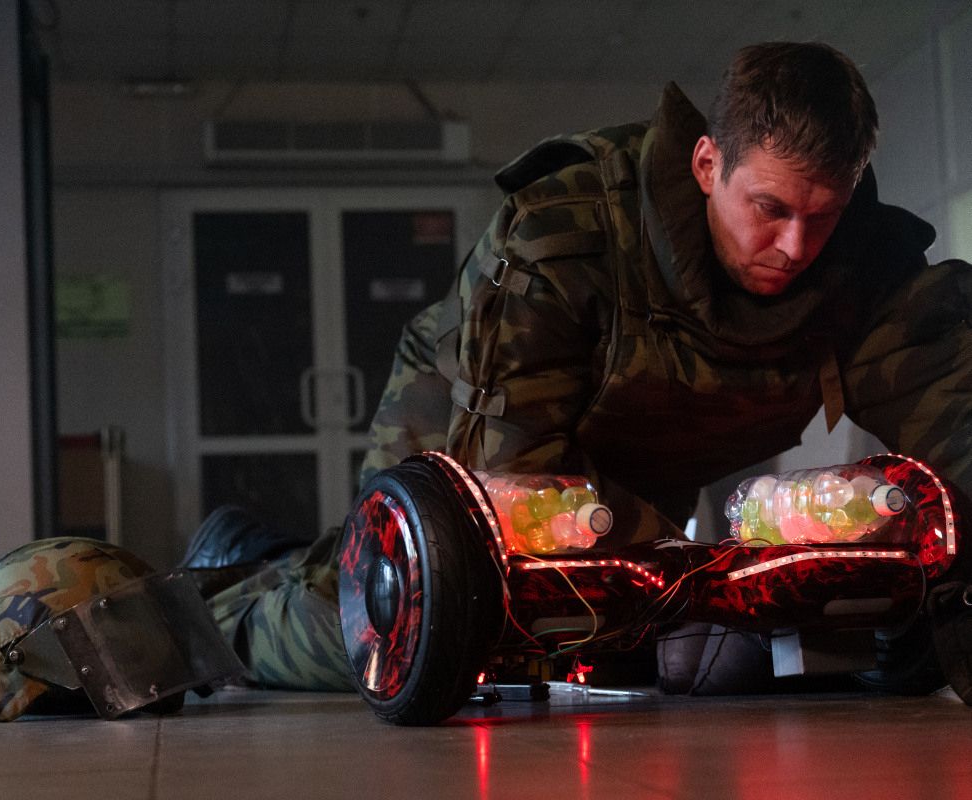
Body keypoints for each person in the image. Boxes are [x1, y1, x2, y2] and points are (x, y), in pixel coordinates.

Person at [188, 41, 972, 695]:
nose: (796, 247)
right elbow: (512, 482)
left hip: (636, 462)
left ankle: (263, 553)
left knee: (630, 632)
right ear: (706, 165)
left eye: (822, 215)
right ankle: (200, 618)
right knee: (400, 623)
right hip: (471, 415)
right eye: (769, 209)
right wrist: (693, 577)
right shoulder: (563, 235)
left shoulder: (868, 268)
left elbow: (957, 443)